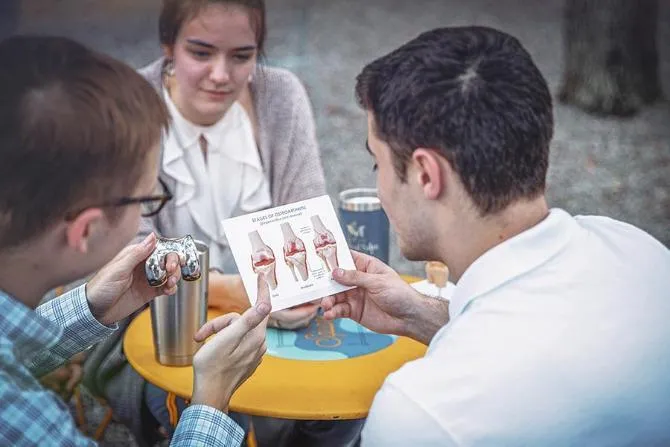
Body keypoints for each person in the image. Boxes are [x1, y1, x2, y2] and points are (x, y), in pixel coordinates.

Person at [321, 26, 670, 446]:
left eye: (377, 164)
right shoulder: (639, 252)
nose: (380, 189)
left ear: (426, 175)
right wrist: (418, 314)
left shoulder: (425, 414)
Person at [82, 1, 362, 445]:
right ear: (168, 47)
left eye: (241, 56)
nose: (221, 75)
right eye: (200, 52)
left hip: (273, 319)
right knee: (225, 417)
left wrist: (303, 286)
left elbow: (307, 225)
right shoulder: (127, 107)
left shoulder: (280, 95)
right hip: (155, 329)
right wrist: (237, 289)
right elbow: (125, 264)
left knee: (343, 403)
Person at [0, 35, 272, 446]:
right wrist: (212, 400)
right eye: (148, 198)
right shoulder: (22, 416)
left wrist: (91, 306)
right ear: (86, 231)